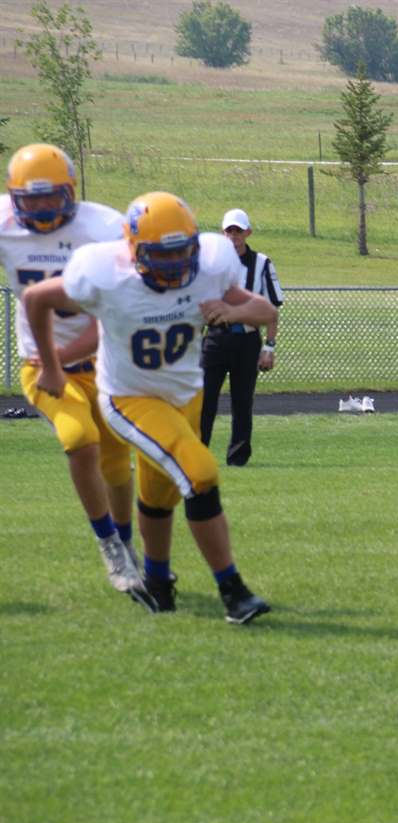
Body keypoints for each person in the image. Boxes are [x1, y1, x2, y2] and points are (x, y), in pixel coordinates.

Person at [24, 191, 277, 623]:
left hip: (186, 396)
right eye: (165, 254)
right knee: (200, 473)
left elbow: (264, 309)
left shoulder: (211, 267)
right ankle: (233, 591)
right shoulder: (106, 274)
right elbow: (35, 299)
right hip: (131, 399)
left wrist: (229, 311)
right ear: (135, 250)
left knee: (159, 497)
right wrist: (50, 365)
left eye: (184, 251)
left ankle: (158, 585)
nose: (177, 263)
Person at [1, 143, 151, 608]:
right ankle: (110, 544)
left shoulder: (103, 229)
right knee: (78, 437)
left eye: (52, 198)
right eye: (33, 200)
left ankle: (125, 543)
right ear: (14, 197)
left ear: (72, 192)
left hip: (103, 361)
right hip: (41, 366)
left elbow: (114, 317)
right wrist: (50, 362)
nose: (44, 209)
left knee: (115, 464)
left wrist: (64, 354)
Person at [199, 208, 284, 467]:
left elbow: (273, 307)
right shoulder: (210, 263)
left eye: (238, 231)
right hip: (215, 337)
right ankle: (198, 453)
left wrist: (269, 347)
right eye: (229, 231)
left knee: (242, 401)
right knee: (203, 400)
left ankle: (237, 458)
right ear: (222, 233)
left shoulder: (262, 264)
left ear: (248, 232)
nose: (233, 236)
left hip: (247, 340)